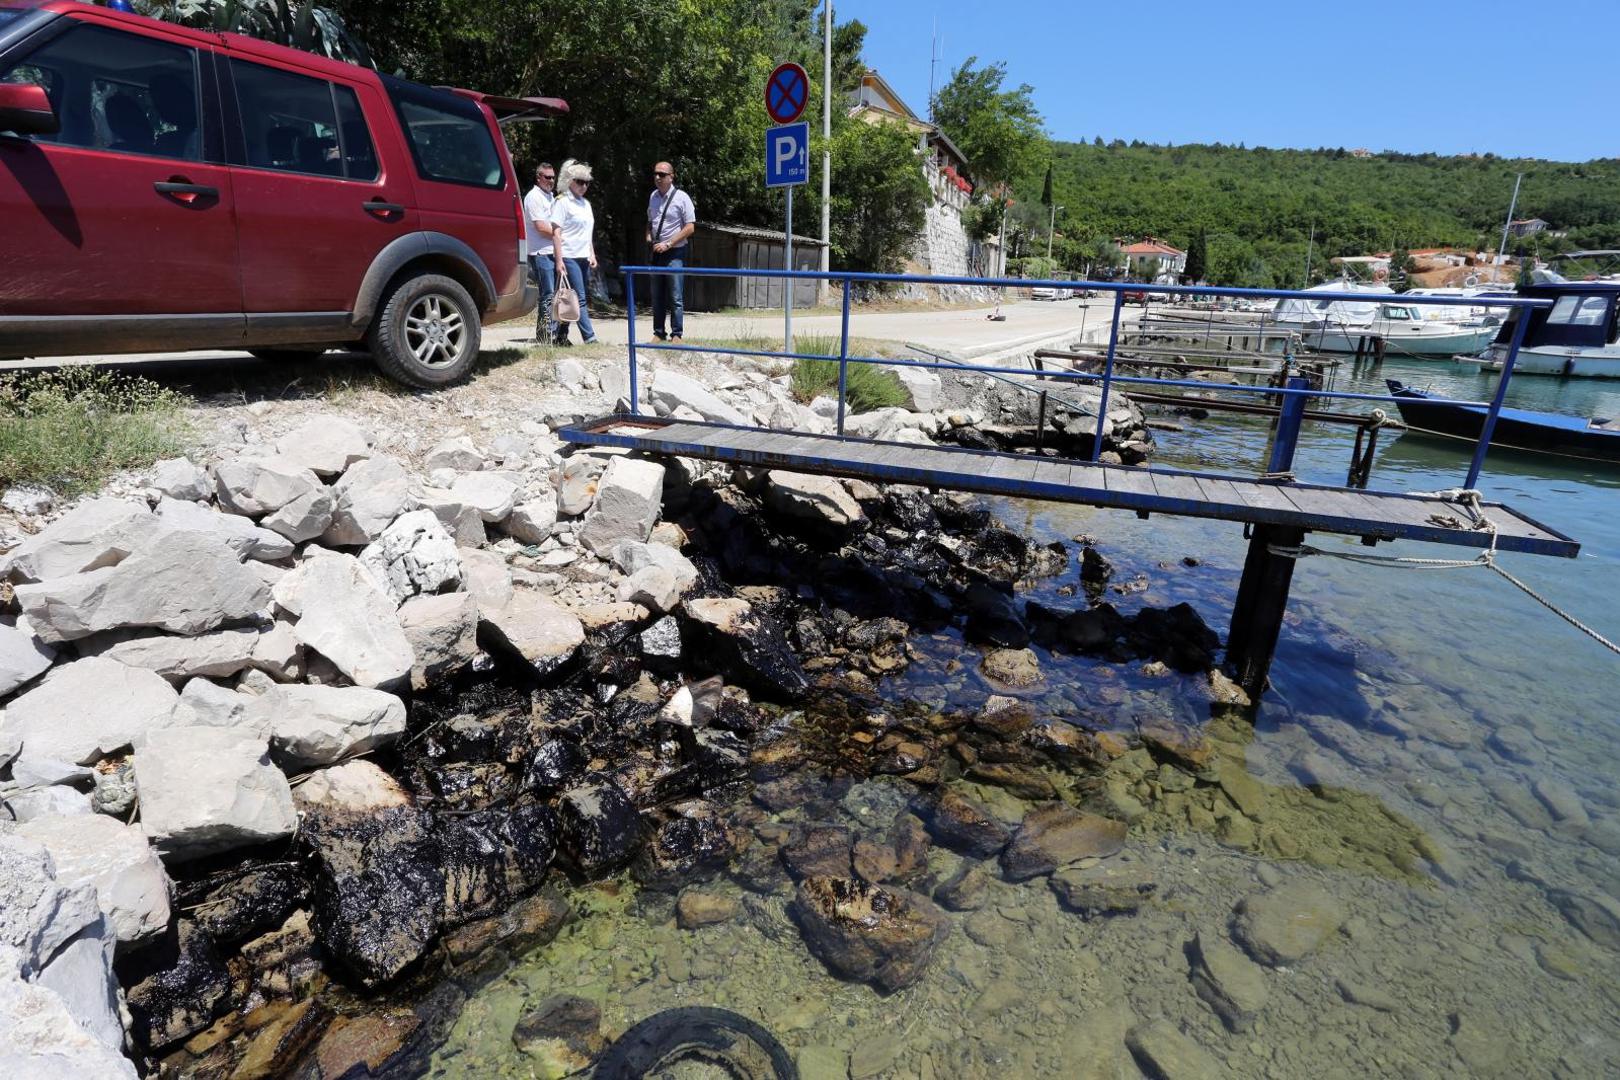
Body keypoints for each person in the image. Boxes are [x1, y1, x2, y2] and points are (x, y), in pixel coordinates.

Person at [548, 160, 598, 346]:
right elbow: (556, 233)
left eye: (586, 182)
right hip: (568, 256)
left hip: (583, 256)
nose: (583, 186)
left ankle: (559, 336)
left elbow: (587, 233)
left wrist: (592, 254)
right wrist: (559, 260)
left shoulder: (586, 204)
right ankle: (590, 338)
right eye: (579, 181)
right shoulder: (562, 202)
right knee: (579, 298)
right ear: (570, 180)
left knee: (568, 298)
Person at [646, 160, 696, 342]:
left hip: (675, 252)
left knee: (675, 295)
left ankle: (677, 334)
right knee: (657, 295)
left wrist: (668, 243)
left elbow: (690, 227)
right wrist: (648, 236)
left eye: (662, 174)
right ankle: (658, 333)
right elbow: (650, 221)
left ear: (671, 177)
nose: (658, 178)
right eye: (655, 174)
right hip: (657, 252)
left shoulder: (682, 198)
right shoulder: (653, 197)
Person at [524, 163, 559, 342]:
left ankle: (553, 332)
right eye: (547, 177)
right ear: (538, 178)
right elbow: (541, 227)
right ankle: (544, 334)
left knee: (555, 294)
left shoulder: (550, 197)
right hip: (540, 253)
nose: (551, 181)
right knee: (547, 294)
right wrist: (561, 233)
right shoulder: (533, 197)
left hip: (553, 251)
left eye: (553, 177)